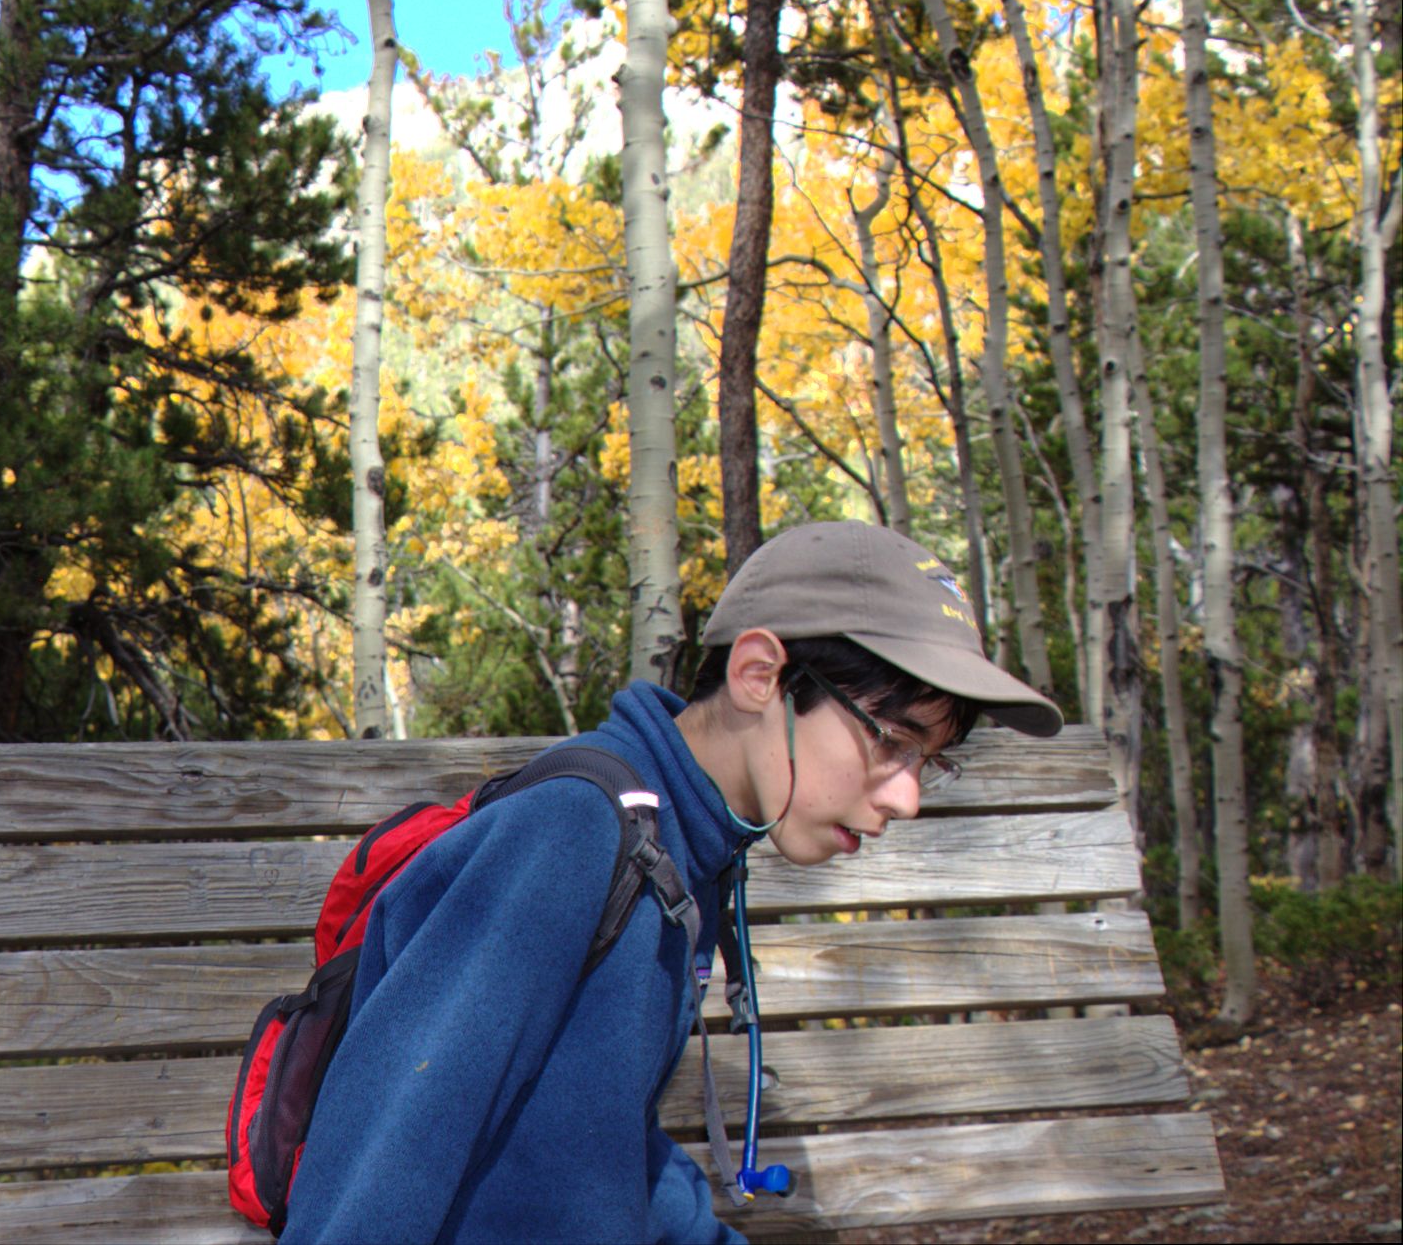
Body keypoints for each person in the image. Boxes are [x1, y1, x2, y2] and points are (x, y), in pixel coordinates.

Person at [278, 520, 1063, 1245]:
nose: (907, 796)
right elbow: (386, 1142)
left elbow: (591, 1141)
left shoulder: (683, 842)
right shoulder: (572, 834)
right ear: (761, 673)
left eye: (932, 760)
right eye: (892, 741)